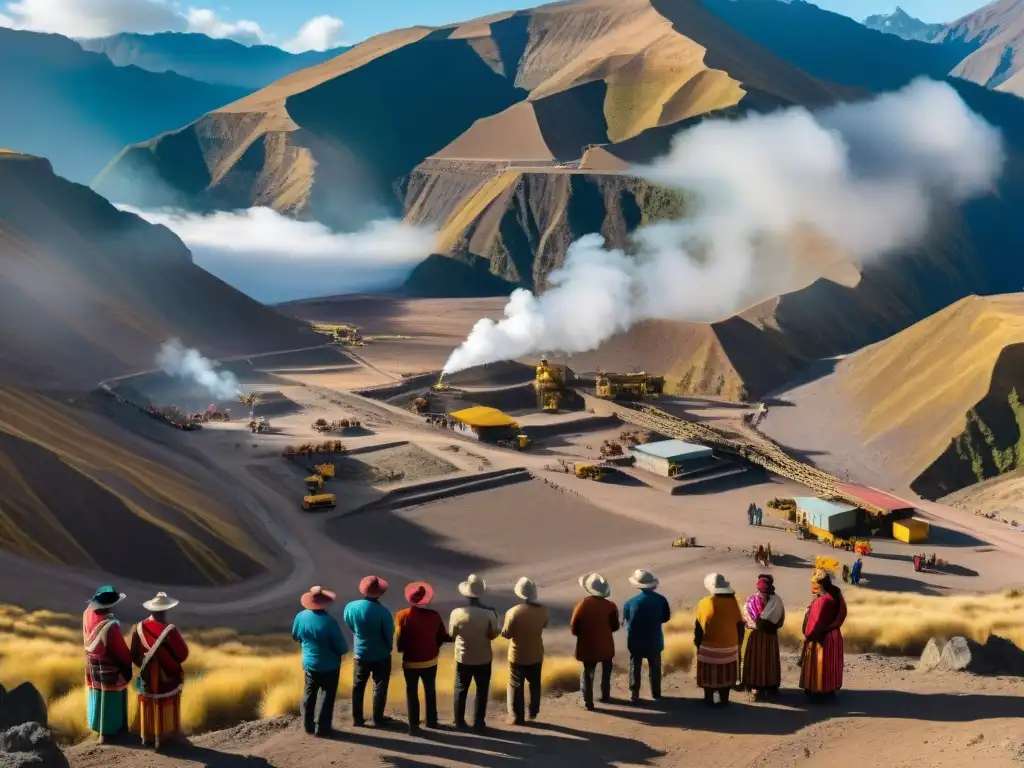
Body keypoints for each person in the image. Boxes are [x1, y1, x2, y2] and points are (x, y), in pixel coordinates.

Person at [292, 585, 348, 738]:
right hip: (330, 665)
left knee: (309, 694)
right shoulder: (329, 622)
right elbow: (342, 647)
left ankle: (307, 725)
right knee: (327, 695)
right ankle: (322, 728)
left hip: (310, 664)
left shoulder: (300, 617)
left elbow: (296, 636)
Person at [395, 581, 450, 734]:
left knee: (411, 692)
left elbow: (399, 638)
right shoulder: (434, 615)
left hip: (410, 661)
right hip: (430, 660)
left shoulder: (402, 615)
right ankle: (431, 721)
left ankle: (413, 725)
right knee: (429, 690)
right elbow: (442, 636)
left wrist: (401, 649)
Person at [448, 574, 500, 731]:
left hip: (463, 656)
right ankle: (478, 722)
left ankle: (459, 721)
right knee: (481, 690)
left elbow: (452, 635)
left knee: (460, 688)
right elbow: (492, 635)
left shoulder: (456, 613)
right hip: (483, 656)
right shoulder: (490, 614)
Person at [83, 586, 133, 744]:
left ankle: (96, 726)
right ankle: (110, 731)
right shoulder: (110, 625)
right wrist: (127, 665)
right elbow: (120, 650)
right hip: (109, 669)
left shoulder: (86, 614)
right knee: (111, 698)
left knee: (96, 695)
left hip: (92, 665)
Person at [343, 575, 395, 728]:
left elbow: (350, 625)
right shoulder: (383, 612)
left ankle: (357, 719)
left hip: (360, 654)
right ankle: (378, 719)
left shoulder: (350, 607)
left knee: (358, 686)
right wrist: (388, 647)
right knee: (380, 686)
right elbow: (388, 634)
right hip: (380, 655)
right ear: (379, 593)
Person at [501, 577, 549, 725]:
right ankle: (533, 710)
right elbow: (544, 625)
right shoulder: (543, 610)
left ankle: (517, 715)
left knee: (516, 684)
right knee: (534, 683)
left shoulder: (513, 612)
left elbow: (506, 633)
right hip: (536, 653)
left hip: (517, 655)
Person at [569, 573, 619, 710]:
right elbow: (615, 627)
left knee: (587, 673)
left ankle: (588, 702)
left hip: (588, 646)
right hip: (606, 645)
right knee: (606, 672)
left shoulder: (583, 604)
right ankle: (605, 695)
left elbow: (574, 627)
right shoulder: (611, 606)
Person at [694, 573, 744, 706]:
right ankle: (724, 699)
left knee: (708, 673)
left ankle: (709, 699)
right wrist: (738, 643)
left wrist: (698, 646)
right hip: (729, 645)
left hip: (708, 646)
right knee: (726, 673)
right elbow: (740, 624)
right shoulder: (733, 602)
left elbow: (698, 628)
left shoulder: (704, 603)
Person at [622, 569, 670, 702]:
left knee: (635, 665)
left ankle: (634, 692)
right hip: (654, 638)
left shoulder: (630, 602)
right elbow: (665, 618)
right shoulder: (661, 600)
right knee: (655, 666)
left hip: (635, 639)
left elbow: (626, 617)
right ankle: (656, 692)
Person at [800, 569, 847, 699]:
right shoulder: (837, 594)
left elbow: (815, 622)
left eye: (816, 584)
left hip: (821, 637)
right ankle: (830, 688)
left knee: (819, 663)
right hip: (834, 635)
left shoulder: (822, 600)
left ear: (821, 584)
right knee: (831, 663)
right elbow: (842, 613)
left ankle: (817, 689)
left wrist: (809, 635)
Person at [741, 575, 786, 700]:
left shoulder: (751, 601)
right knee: (769, 659)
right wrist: (771, 626)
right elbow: (781, 620)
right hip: (770, 637)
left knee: (756, 660)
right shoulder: (777, 601)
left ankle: (754, 686)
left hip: (756, 636)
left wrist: (753, 624)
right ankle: (769, 685)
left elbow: (746, 618)